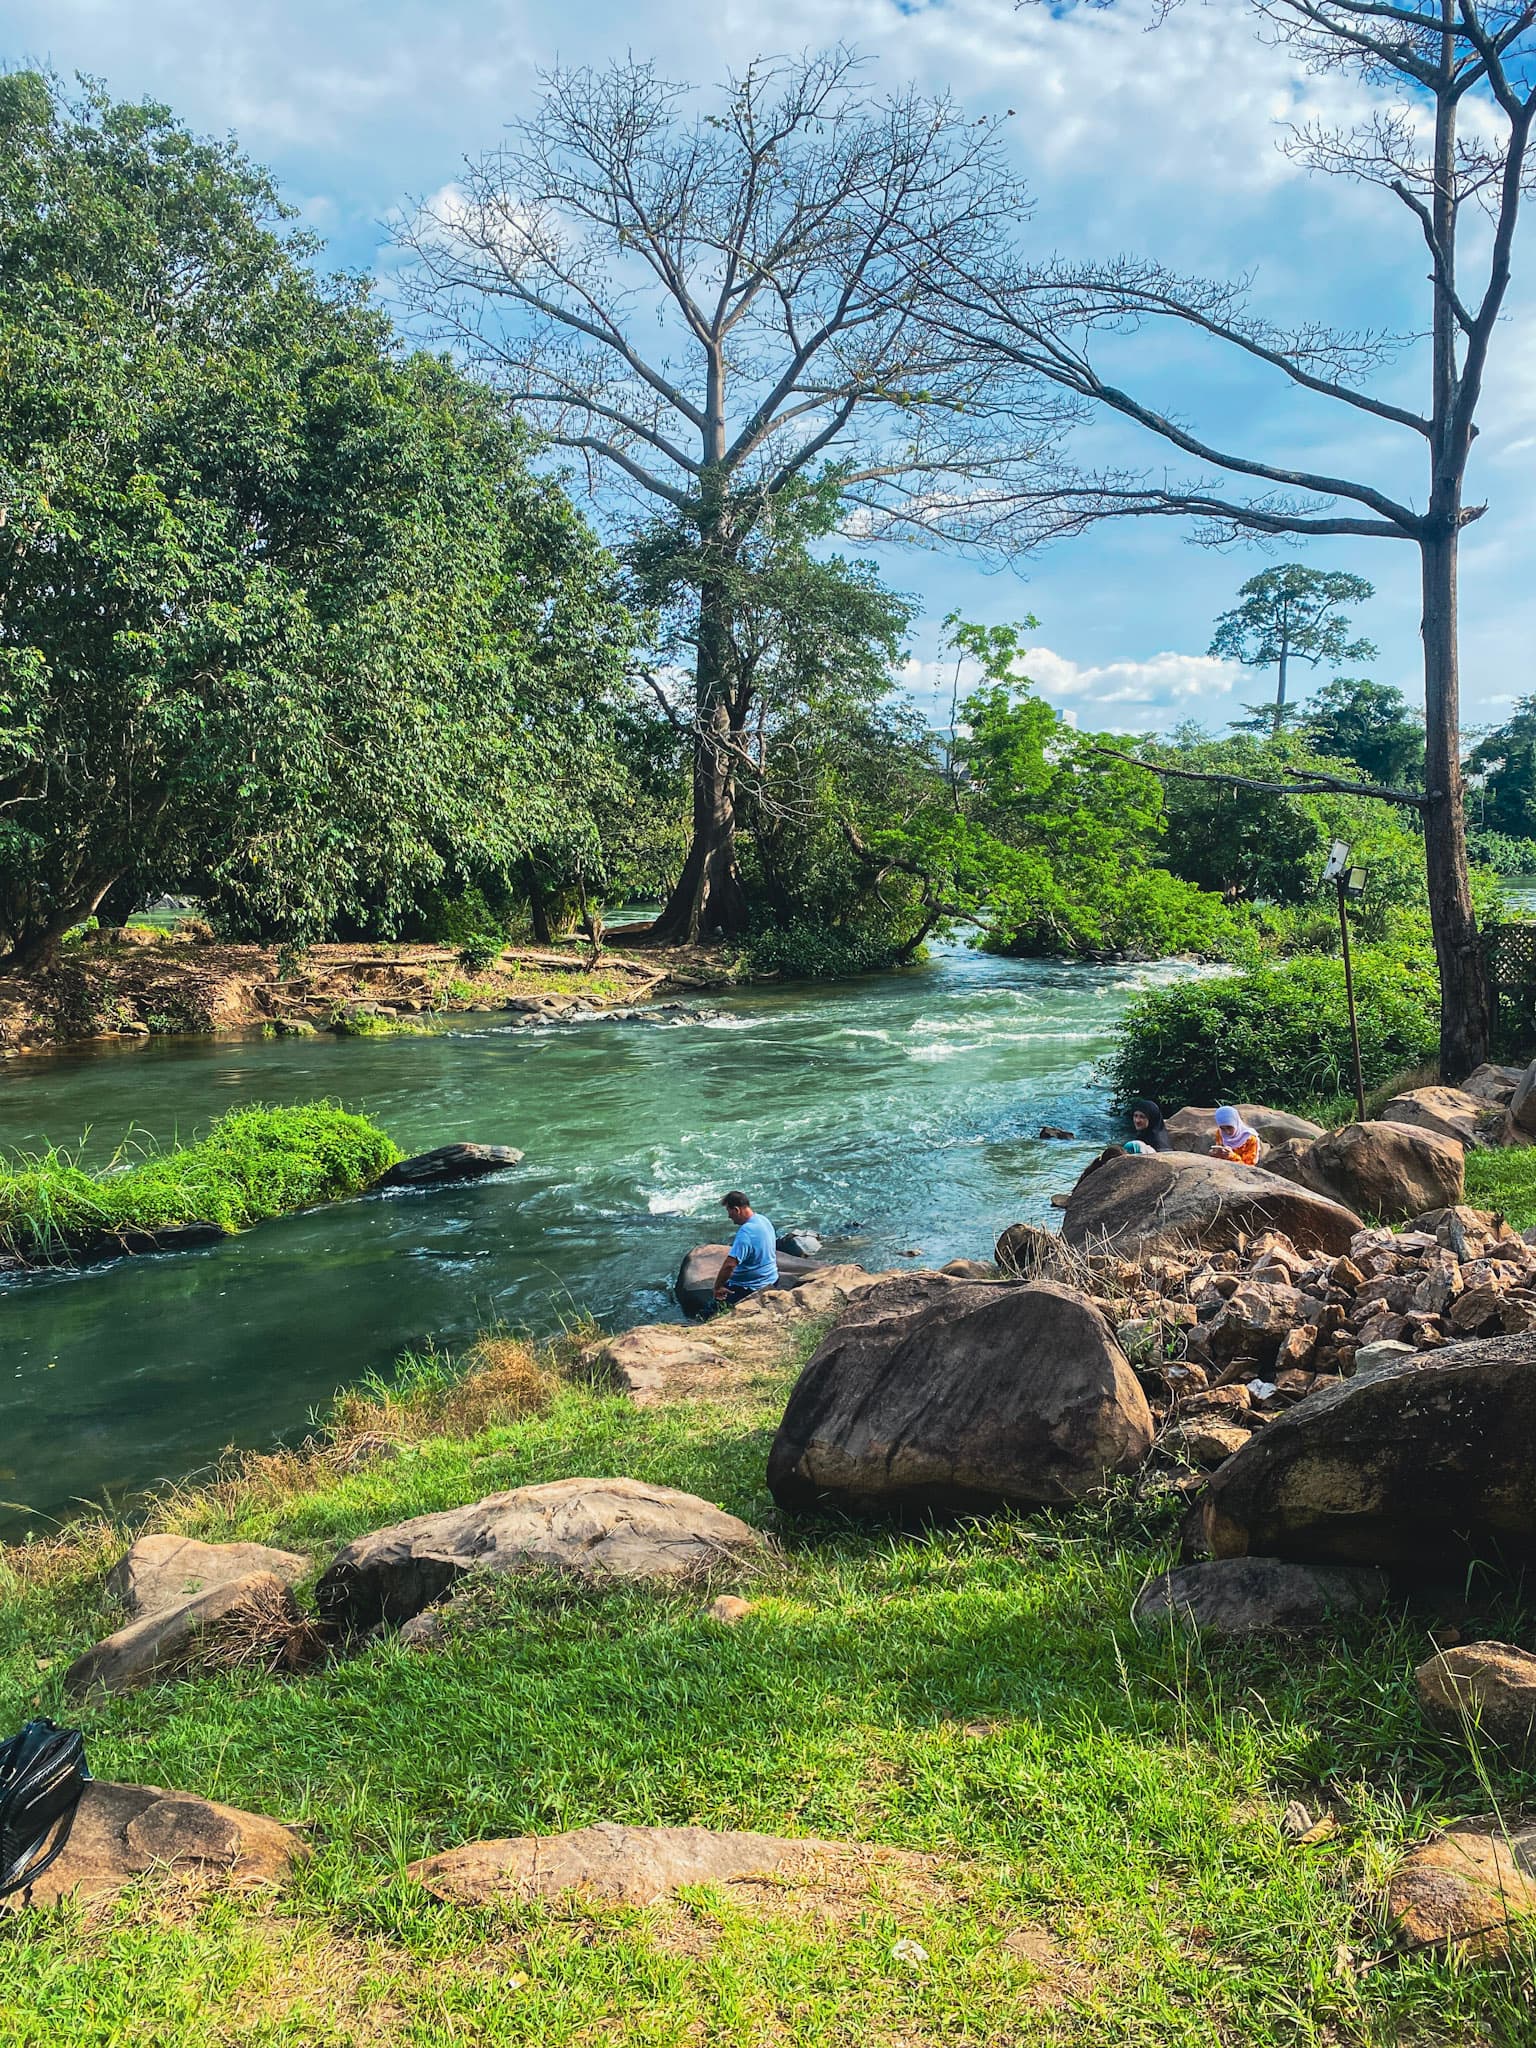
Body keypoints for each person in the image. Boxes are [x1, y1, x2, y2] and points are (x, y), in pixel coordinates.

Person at [713, 1191, 778, 1308]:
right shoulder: (763, 1220)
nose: (729, 1216)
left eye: (729, 1211)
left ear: (737, 1210)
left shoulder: (746, 1232)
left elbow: (730, 1265)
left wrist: (718, 1287)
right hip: (772, 1279)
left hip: (751, 1287)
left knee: (709, 1310)